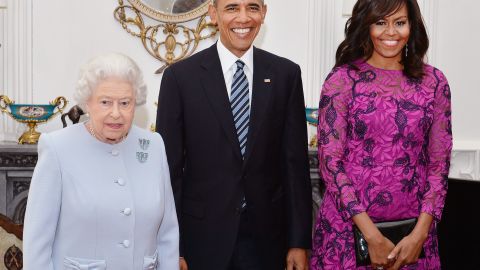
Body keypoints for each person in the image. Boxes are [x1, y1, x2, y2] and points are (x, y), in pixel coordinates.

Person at [156, 0, 312, 269]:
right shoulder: (179, 78)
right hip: (200, 241)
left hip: (267, 241)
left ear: (263, 13)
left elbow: (294, 165)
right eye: (231, 8)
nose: (244, 18)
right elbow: (169, 173)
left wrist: (298, 242)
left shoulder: (286, 75)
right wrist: (175, 248)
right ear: (213, 14)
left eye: (252, 7)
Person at [310, 0, 452, 269]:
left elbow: (439, 165)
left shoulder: (434, 82)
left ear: (412, 26)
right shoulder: (341, 80)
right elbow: (330, 163)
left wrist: (420, 234)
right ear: (366, 25)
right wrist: (371, 235)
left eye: (400, 22)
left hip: (413, 235)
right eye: (380, 22)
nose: (391, 32)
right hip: (347, 232)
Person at [23, 53, 179, 269]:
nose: (116, 113)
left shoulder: (153, 145)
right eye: (105, 102)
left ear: (136, 103)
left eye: (125, 103)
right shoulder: (57, 148)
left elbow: (168, 234)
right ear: (87, 102)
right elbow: (37, 245)